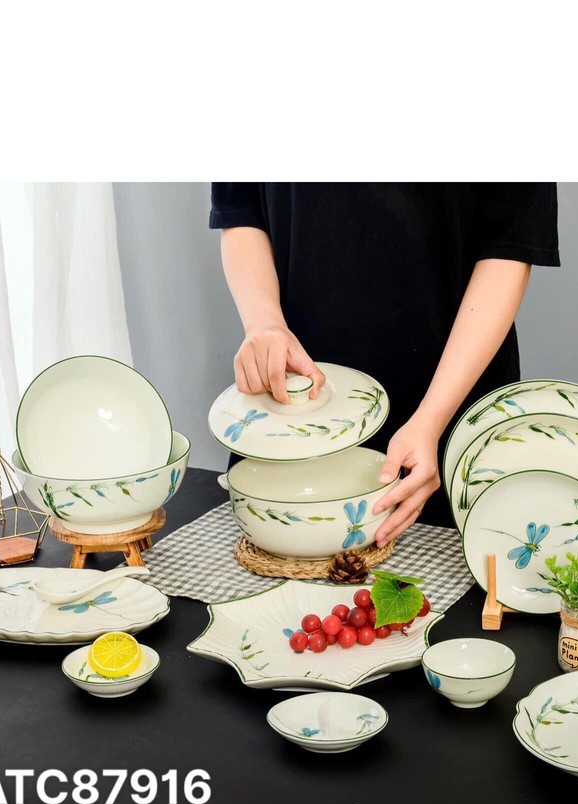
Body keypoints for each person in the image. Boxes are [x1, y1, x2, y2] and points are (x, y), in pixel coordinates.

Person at [210, 184, 559, 545]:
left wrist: (431, 420)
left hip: (445, 416)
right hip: (293, 411)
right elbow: (241, 208)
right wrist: (264, 324)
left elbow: (509, 245)